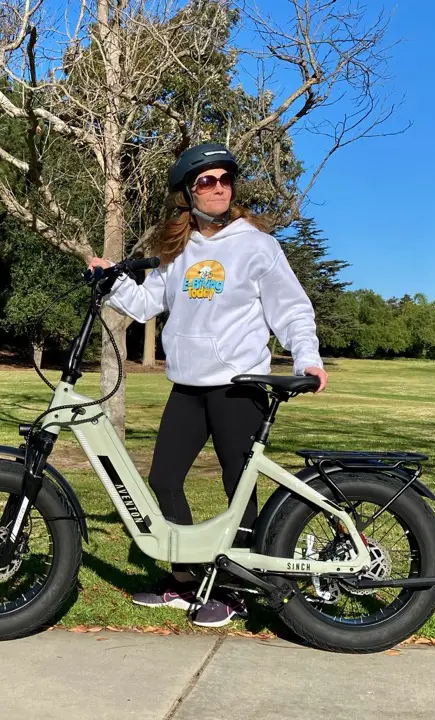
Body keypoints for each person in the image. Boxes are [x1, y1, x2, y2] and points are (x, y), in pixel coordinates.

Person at [87, 142, 327, 627]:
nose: (218, 187)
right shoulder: (177, 251)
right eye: (205, 181)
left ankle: (237, 590)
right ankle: (188, 578)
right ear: (188, 193)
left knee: (238, 487)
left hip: (239, 386)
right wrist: (107, 277)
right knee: (163, 480)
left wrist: (308, 356)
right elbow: (143, 303)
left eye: (224, 179)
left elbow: (291, 308)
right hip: (188, 386)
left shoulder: (258, 245)